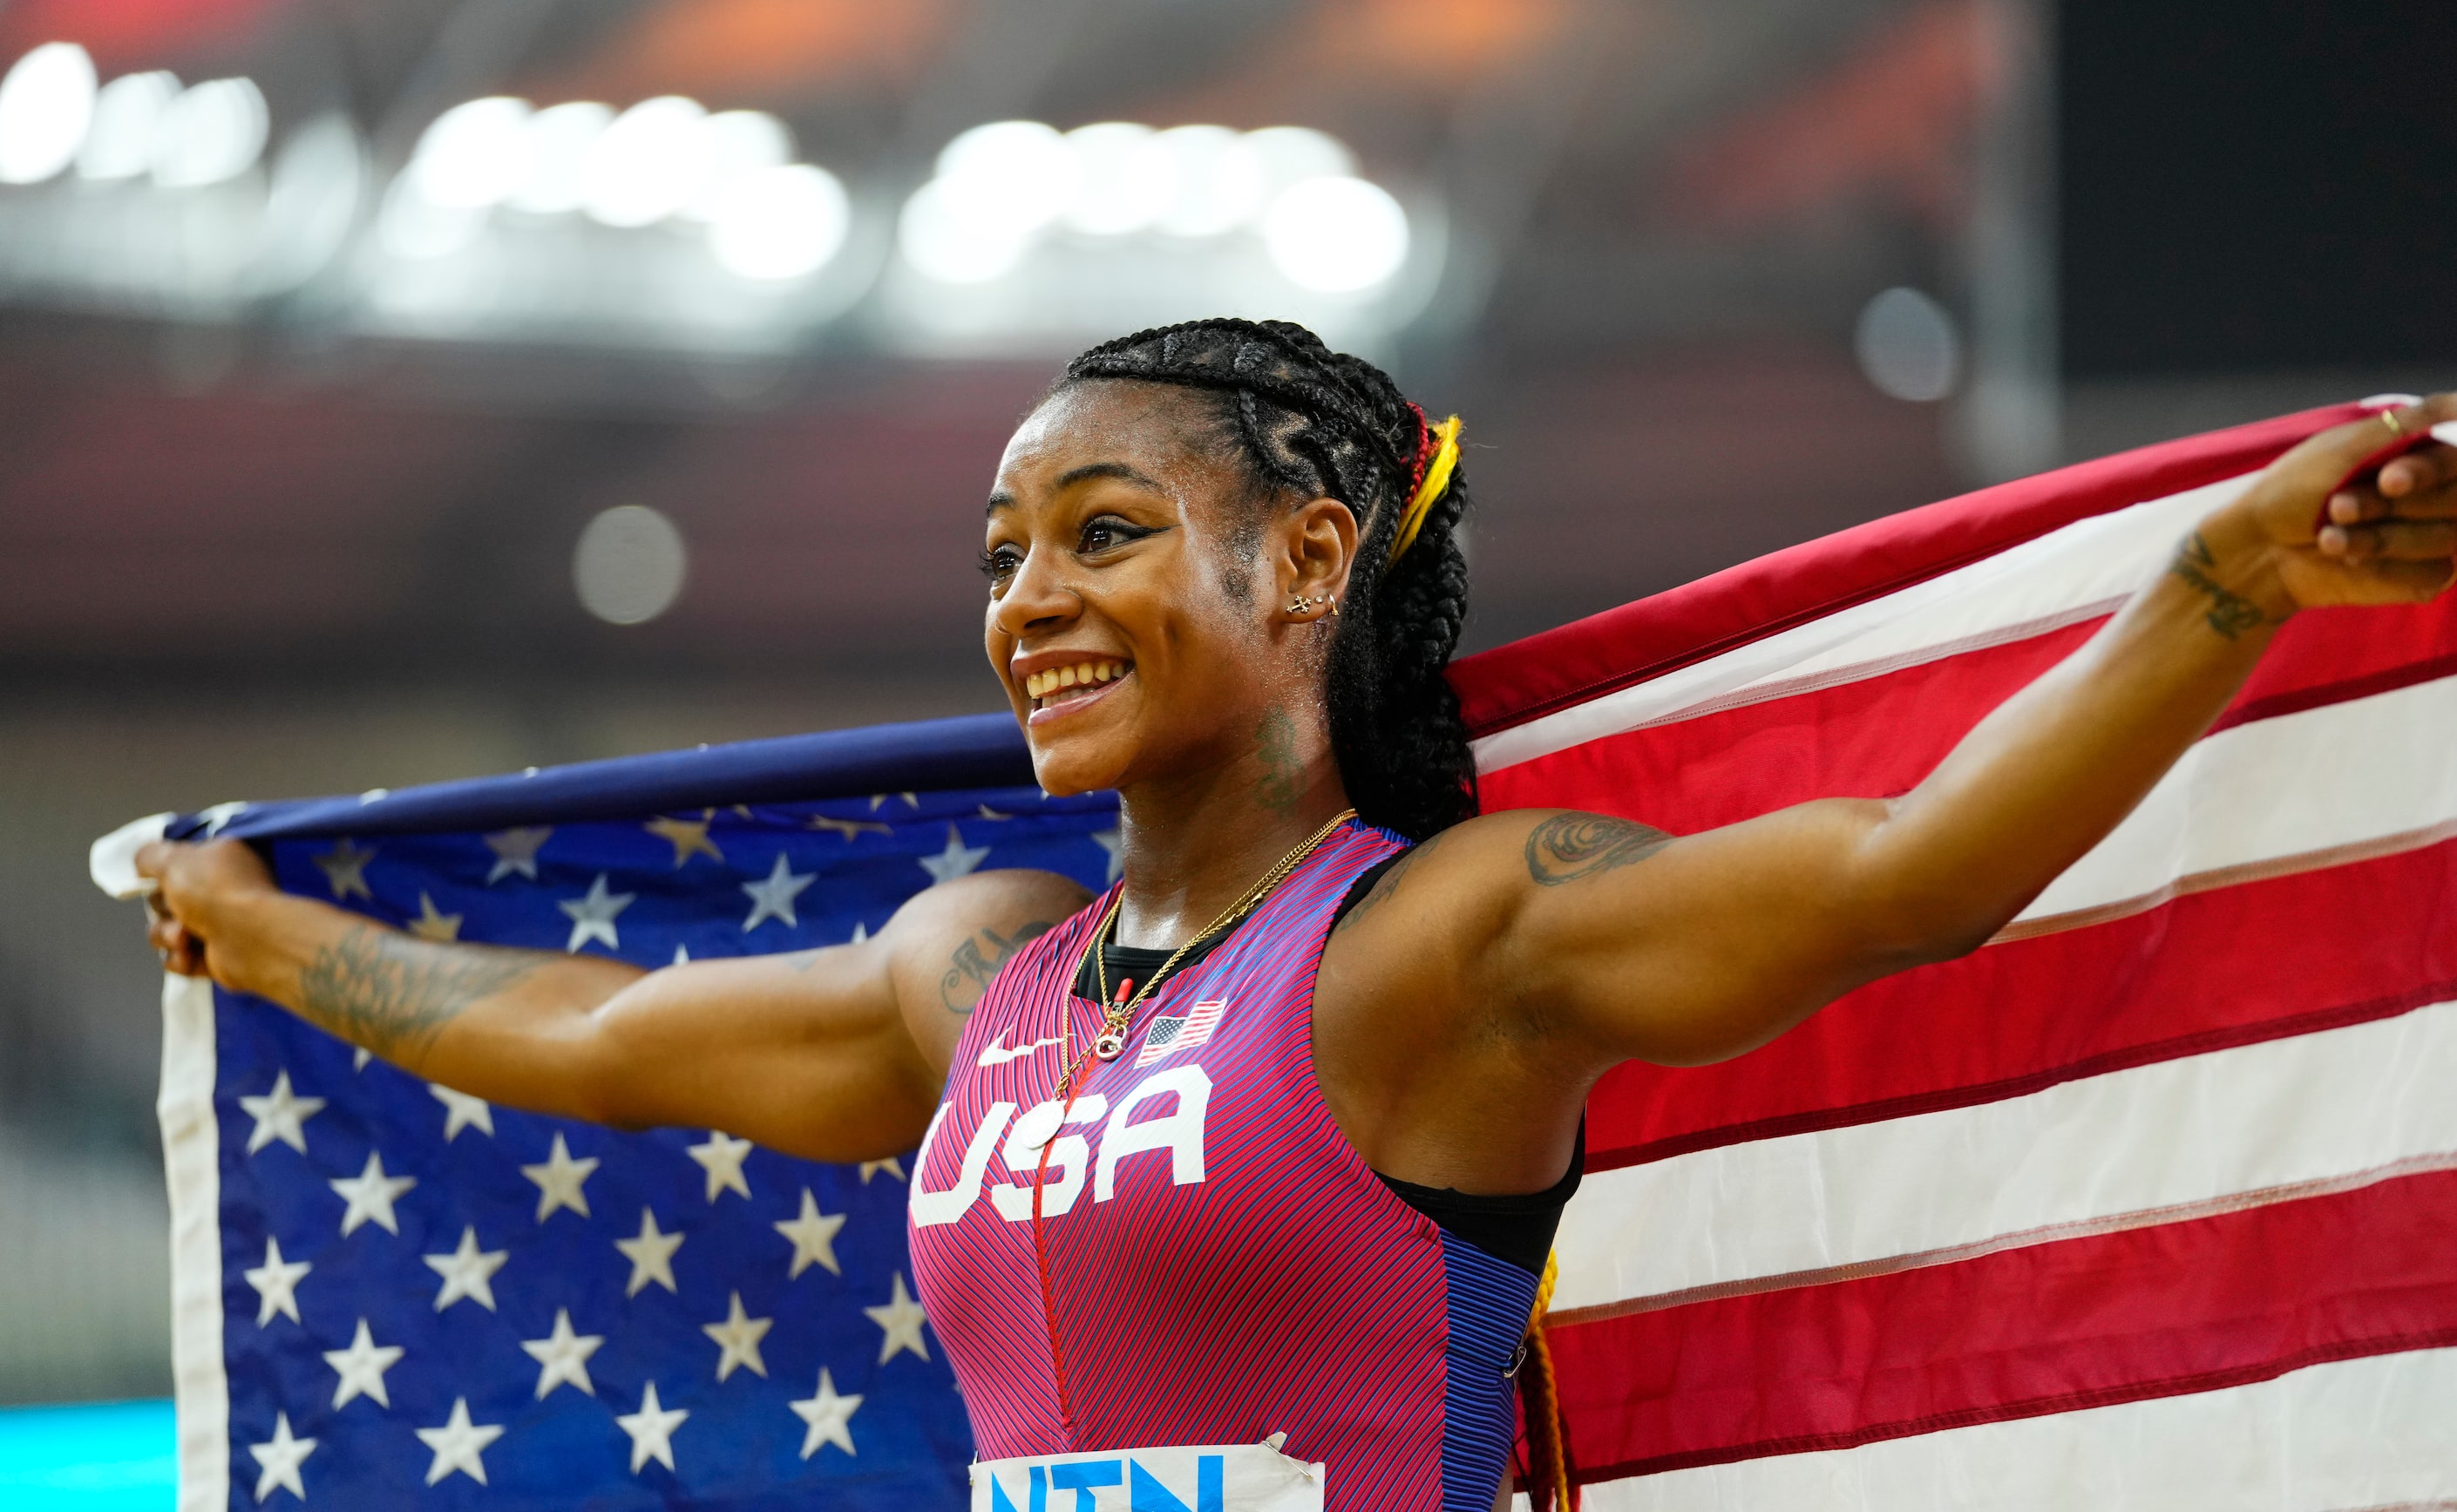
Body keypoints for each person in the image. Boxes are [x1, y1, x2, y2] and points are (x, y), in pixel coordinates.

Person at [139, 320, 2457, 1512]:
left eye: (1104, 532)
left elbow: (1903, 877)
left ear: (1310, 559)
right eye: (999, 556)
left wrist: (2220, 581)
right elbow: (588, 1036)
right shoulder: (982, 976)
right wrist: (251, 938)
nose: (1026, 601)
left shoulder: (1445, 947)